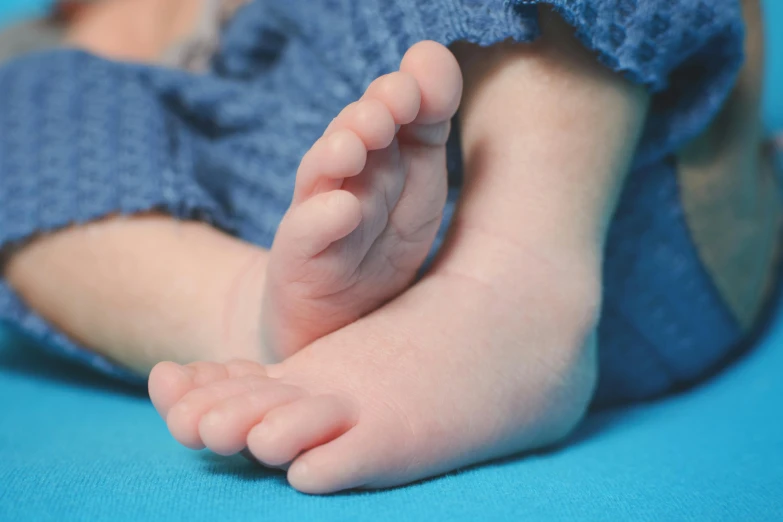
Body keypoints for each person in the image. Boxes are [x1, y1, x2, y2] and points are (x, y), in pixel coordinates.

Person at [0, 0, 777, 494]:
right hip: (339, 319)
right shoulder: (38, 49)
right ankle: (264, 324)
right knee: (16, 113)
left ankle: (511, 278)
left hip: (604, 143)